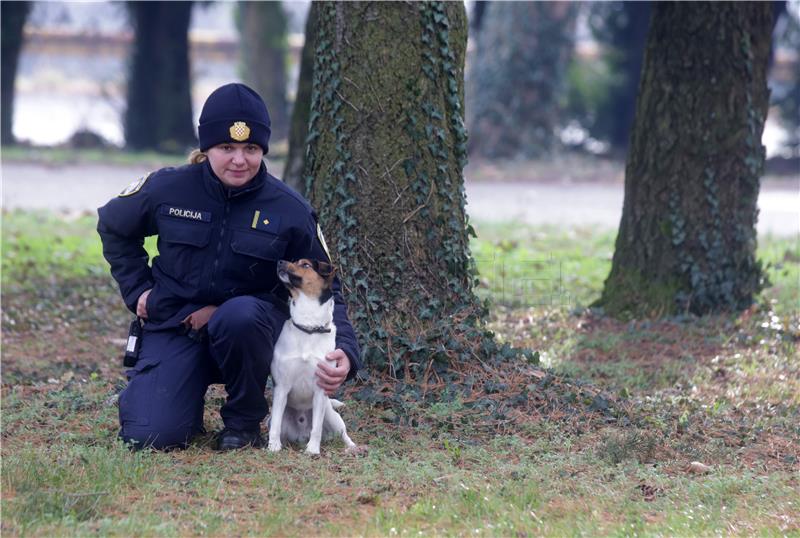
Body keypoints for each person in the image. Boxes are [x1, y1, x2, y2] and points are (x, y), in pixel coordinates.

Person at [97, 83, 361, 451]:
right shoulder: (168, 188)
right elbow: (113, 226)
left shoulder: (290, 209)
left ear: (263, 149)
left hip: (248, 334)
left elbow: (328, 289)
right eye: (227, 148)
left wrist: (345, 352)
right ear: (207, 148)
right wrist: (138, 288)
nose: (239, 160)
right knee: (151, 436)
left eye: (251, 148)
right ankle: (164, 397)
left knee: (240, 315)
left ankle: (243, 421)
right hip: (176, 326)